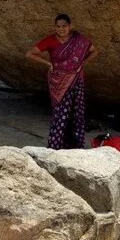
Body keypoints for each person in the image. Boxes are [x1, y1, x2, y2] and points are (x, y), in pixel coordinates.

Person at [26, 13, 98, 149]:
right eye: (58, 26)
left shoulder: (79, 39)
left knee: (77, 112)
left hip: (76, 80)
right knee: (60, 113)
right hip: (58, 82)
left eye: (64, 26)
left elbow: (95, 51)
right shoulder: (50, 40)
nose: (61, 29)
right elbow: (30, 54)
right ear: (55, 28)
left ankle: (76, 146)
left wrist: (83, 63)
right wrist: (48, 64)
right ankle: (55, 146)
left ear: (70, 26)